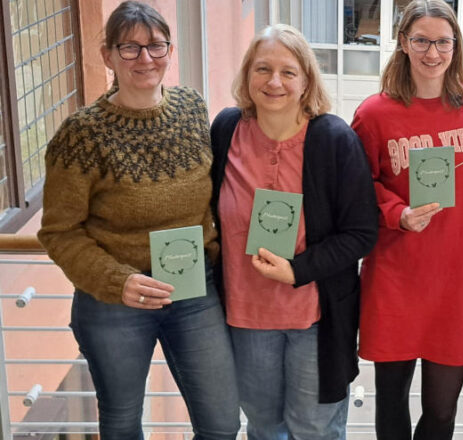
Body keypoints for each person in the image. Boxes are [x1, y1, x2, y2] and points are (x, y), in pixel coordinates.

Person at [37, 2, 240, 438]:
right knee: (122, 422)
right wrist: (117, 281)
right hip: (115, 302)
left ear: (170, 50)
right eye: (129, 48)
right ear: (107, 55)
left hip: (194, 290)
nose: (145, 59)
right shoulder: (81, 136)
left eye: (155, 46)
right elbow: (59, 232)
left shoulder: (191, 108)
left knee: (222, 423)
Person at [209, 24, 378, 440]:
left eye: (288, 72)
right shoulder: (226, 131)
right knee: (264, 429)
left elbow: (361, 232)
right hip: (245, 317)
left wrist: (297, 270)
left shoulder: (334, 139)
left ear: (306, 80)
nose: (274, 82)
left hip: (315, 319)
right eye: (262, 69)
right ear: (247, 76)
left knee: (315, 430)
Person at [350, 1, 463, 438]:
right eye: (422, 41)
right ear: (403, 43)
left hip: (455, 278)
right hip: (396, 276)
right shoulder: (374, 114)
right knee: (391, 404)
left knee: (442, 412)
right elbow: (357, 188)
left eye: (443, 42)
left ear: (457, 45)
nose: (433, 53)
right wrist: (399, 213)